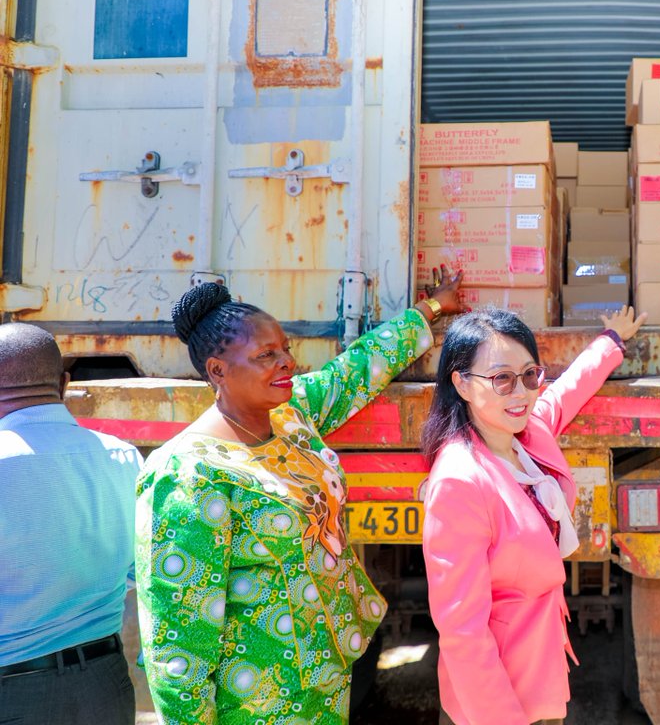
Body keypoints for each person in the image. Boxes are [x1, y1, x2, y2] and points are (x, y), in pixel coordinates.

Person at [135, 271, 463, 724]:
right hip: (256, 703)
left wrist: (431, 309)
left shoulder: (291, 416)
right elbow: (178, 641)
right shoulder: (188, 474)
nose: (286, 362)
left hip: (325, 682)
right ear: (217, 371)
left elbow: (355, 370)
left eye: (285, 348)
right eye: (266, 355)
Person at [421, 305, 647, 725]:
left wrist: (611, 341)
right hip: (493, 700)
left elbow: (566, 393)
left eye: (529, 375)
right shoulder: (460, 481)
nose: (522, 392)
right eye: (502, 378)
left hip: (538, 676)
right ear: (463, 384)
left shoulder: (525, 436)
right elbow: (462, 633)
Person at [0, 323, 142, 725]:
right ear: (64, 384)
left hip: (12, 690)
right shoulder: (126, 458)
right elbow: (137, 570)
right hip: (105, 683)